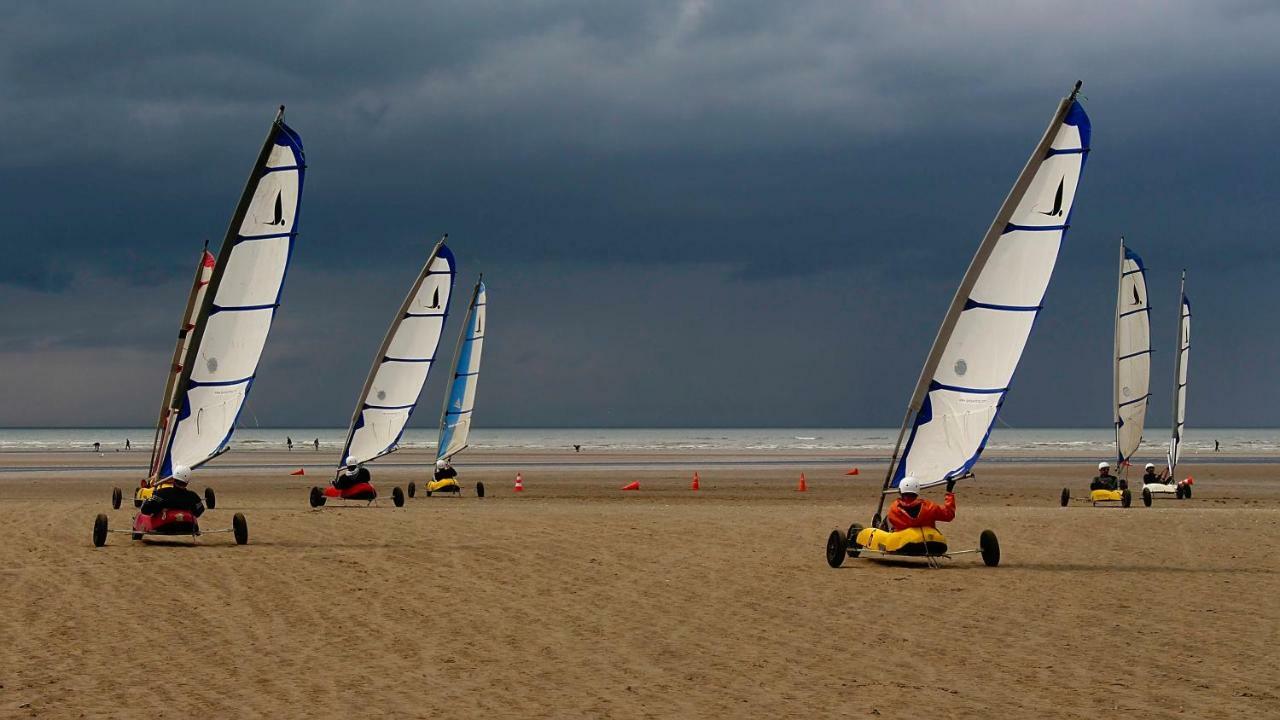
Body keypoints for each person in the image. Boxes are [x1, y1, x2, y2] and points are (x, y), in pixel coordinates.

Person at [885, 476, 957, 531]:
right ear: (917, 491)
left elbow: (890, 525)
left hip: (904, 546)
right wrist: (949, 492)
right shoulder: (929, 507)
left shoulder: (893, 509)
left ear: (900, 491)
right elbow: (949, 515)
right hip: (926, 544)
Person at [140, 466, 205, 517]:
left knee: (143, 511)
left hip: (165, 525)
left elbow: (145, 509)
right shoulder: (193, 496)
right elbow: (200, 509)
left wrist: (153, 507)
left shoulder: (162, 493)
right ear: (187, 482)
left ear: (174, 479)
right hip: (186, 526)